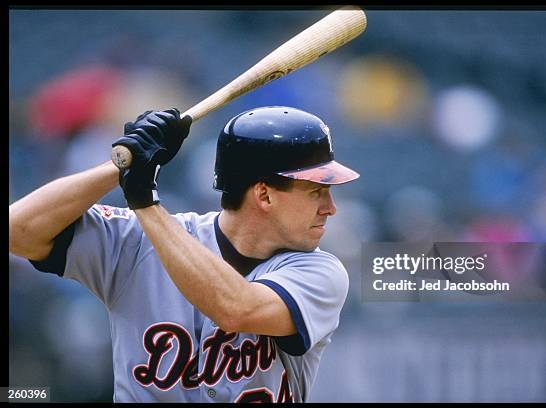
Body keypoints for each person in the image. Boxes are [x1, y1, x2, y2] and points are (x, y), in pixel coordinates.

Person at [9, 106, 359, 402]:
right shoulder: (139, 238)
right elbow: (18, 231)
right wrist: (121, 165)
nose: (330, 208)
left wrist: (145, 201)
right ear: (264, 195)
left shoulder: (321, 272)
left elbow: (236, 309)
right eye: (316, 191)